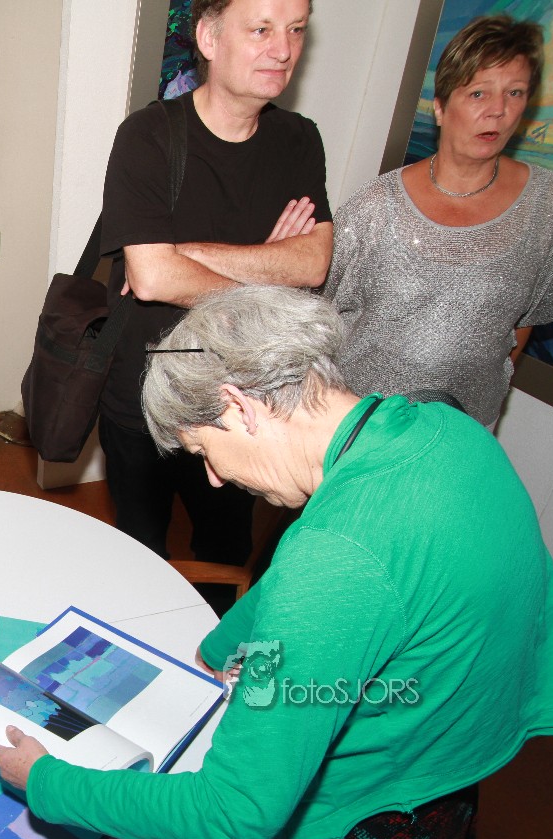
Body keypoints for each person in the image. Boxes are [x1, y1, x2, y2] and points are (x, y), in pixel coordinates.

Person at [0, 285, 553, 839]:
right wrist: (223, 643)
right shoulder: (445, 429)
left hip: (361, 823)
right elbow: (371, 574)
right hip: (448, 757)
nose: (214, 479)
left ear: (240, 407)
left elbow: (232, 814)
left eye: (203, 452)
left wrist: (47, 781)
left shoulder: (334, 560)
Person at [99, 0, 332, 568]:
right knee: (139, 559)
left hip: (245, 399)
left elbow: (312, 265)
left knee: (225, 558)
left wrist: (186, 253)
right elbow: (152, 279)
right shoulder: (148, 136)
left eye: (295, 30)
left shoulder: (299, 139)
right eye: (261, 30)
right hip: (144, 396)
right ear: (208, 37)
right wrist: (269, 266)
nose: (283, 50)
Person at [325, 15, 553, 427]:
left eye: (514, 93)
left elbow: (524, 321)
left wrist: (479, 393)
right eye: (479, 93)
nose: (498, 110)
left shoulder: (550, 205)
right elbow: (319, 319)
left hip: (465, 430)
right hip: (359, 425)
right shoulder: (375, 206)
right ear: (440, 107)